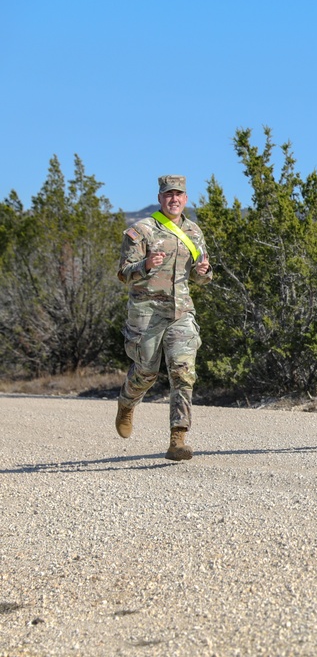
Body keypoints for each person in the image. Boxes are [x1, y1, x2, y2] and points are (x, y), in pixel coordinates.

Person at [114, 174, 212, 461]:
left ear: (185, 198)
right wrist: (144, 265)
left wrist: (204, 273)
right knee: (146, 371)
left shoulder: (193, 232)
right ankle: (127, 403)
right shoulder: (141, 230)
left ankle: (177, 439)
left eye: (179, 194)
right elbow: (123, 273)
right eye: (169, 194)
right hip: (147, 314)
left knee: (183, 373)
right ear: (160, 198)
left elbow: (201, 274)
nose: (174, 199)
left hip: (181, 312)